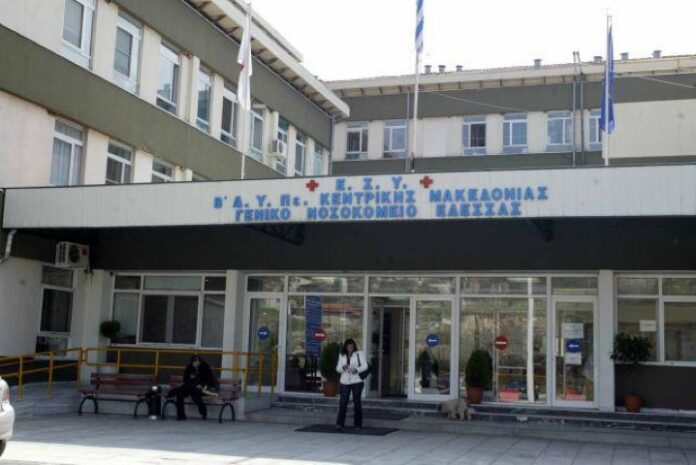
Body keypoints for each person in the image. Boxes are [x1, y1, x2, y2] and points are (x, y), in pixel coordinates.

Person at [167, 355, 218, 421]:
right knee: (180, 393)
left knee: (195, 394)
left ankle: (203, 412)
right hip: (190, 386)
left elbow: (210, 379)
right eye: (194, 362)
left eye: (197, 361)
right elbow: (185, 379)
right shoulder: (189, 367)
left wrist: (201, 385)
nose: (196, 363)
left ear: (200, 361)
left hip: (202, 388)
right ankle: (181, 415)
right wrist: (190, 377)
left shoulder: (205, 367)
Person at [335, 338, 368, 430]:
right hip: (345, 381)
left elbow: (365, 366)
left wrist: (356, 370)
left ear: (354, 347)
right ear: (345, 347)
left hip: (357, 381)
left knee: (357, 402)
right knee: (343, 403)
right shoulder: (342, 355)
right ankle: (340, 424)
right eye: (348, 347)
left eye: (352, 347)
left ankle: (358, 424)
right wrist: (343, 367)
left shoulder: (359, 354)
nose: (350, 348)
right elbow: (338, 368)